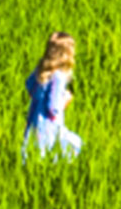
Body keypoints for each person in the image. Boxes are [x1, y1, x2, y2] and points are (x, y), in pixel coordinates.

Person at [23, 30, 81, 160]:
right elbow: (53, 108)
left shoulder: (40, 71)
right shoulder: (59, 77)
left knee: (35, 154)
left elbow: (29, 86)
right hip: (50, 127)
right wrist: (65, 100)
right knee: (74, 145)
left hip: (34, 122)